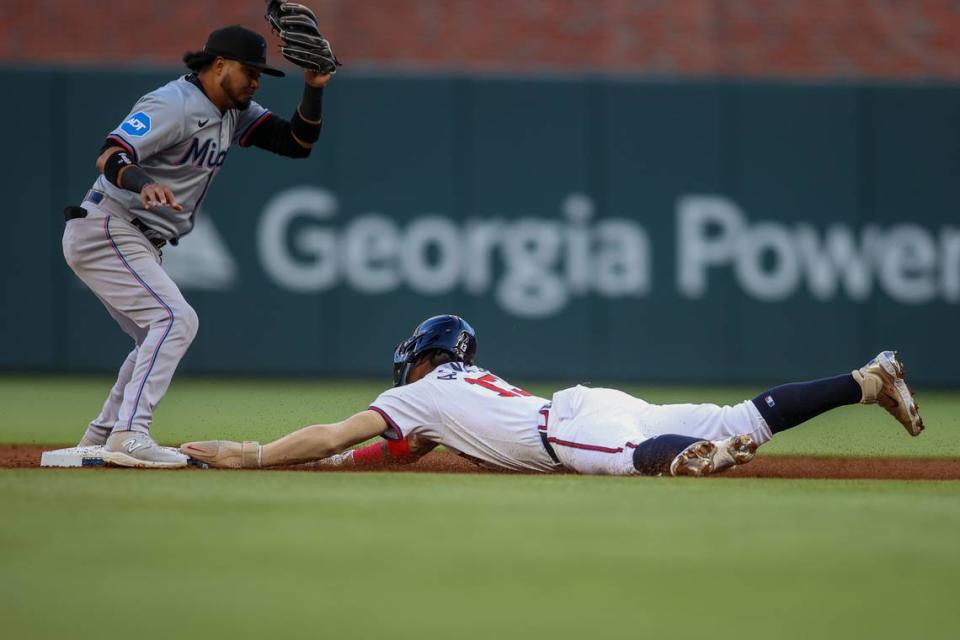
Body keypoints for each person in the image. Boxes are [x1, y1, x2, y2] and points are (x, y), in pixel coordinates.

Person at [181, 315, 924, 476]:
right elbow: (389, 454)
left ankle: (696, 459)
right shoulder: (445, 398)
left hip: (564, 427)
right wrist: (327, 467)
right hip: (592, 403)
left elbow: (339, 433)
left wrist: (254, 454)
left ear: (421, 357)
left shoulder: (415, 391)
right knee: (738, 416)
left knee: (629, 459)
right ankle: (867, 380)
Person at [63, 25, 333, 468]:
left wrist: (314, 88)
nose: (256, 81)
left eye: (261, 75)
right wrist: (144, 183)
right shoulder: (174, 104)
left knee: (157, 331)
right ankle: (129, 433)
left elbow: (295, 143)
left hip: (135, 237)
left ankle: (101, 434)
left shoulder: (232, 111)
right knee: (175, 319)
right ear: (219, 65)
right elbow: (110, 154)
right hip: (108, 226)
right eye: (250, 71)